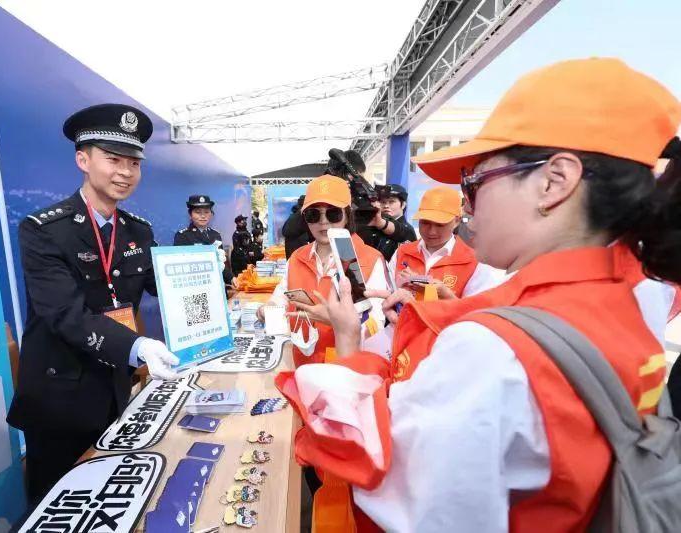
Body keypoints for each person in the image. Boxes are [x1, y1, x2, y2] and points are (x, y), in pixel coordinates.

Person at [276, 58, 681, 532]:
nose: (467, 206)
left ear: (554, 182)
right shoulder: (639, 300)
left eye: (474, 181)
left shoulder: (491, 351)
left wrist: (348, 346)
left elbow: (395, 487)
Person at [7, 103, 180, 504]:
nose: (125, 172)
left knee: (110, 500)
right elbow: (64, 315)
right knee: (61, 507)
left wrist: (205, 279)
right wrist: (138, 347)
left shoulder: (138, 230)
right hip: (60, 399)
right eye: (113, 159)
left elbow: (163, 286)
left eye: (134, 163)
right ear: (83, 159)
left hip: (115, 388)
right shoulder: (43, 230)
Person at [258, 175, 388, 367]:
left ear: (347, 215)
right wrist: (266, 310)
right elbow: (281, 297)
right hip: (303, 367)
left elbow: (376, 322)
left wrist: (336, 322)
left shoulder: (368, 259)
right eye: (313, 215)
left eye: (333, 213)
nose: (323, 222)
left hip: (348, 370)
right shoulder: (297, 257)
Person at [390, 186, 506, 298]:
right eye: (425, 223)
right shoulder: (402, 253)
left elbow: (476, 313)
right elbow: (387, 294)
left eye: (440, 225)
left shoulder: (474, 262)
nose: (432, 231)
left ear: (457, 221)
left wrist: (448, 297)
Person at [174, 195, 234, 290]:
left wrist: (232, 278)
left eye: (206, 212)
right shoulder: (182, 236)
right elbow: (182, 268)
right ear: (190, 214)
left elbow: (221, 264)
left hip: (217, 288)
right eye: (198, 212)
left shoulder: (216, 235)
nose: (203, 216)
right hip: (197, 288)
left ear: (211, 214)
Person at [371, 184, 417, 260]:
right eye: (383, 202)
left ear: (403, 205)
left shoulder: (408, 230)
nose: (386, 206)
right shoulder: (375, 226)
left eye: (391, 202)